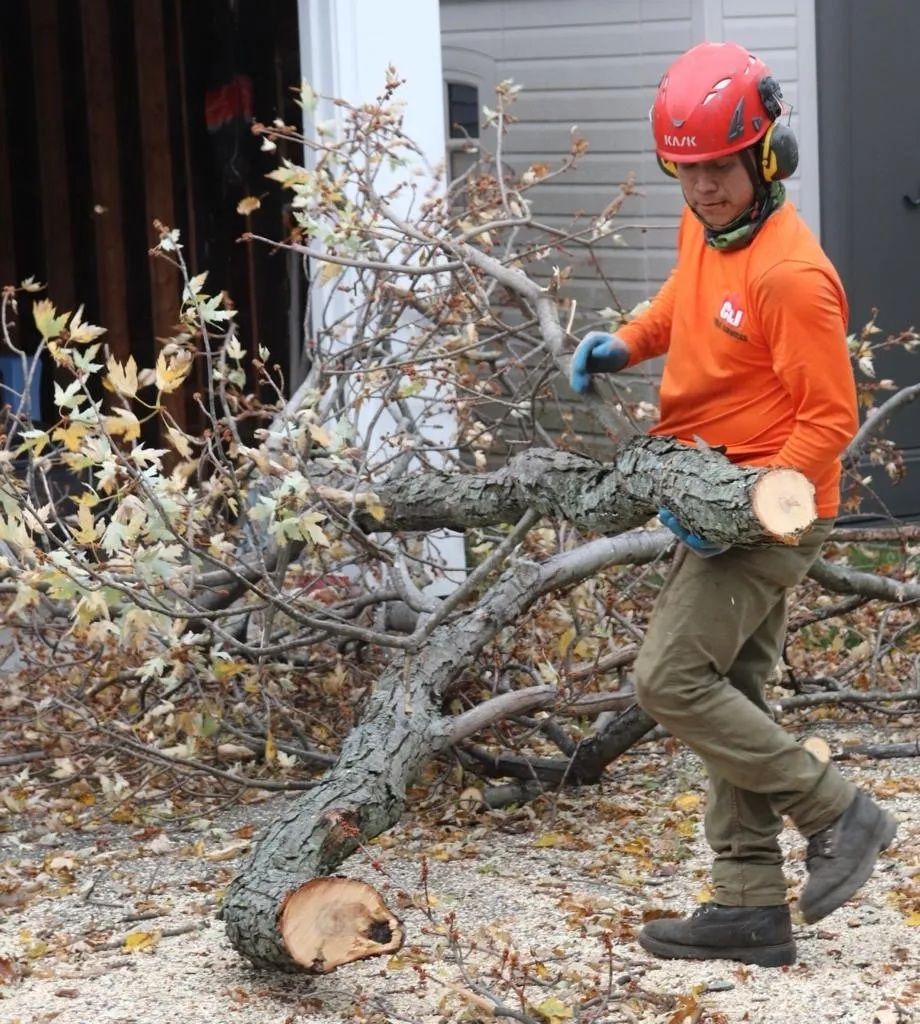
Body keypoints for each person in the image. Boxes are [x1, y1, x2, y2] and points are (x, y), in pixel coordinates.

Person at [569, 41, 897, 968]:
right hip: (717, 481)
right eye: (687, 169)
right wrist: (626, 343)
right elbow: (684, 296)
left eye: (720, 167)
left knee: (670, 681)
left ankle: (843, 814)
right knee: (734, 691)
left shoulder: (791, 276)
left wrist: (746, 512)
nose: (704, 187)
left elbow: (830, 419)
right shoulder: (708, 229)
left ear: (767, 155)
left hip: (777, 501)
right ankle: (749, 903)